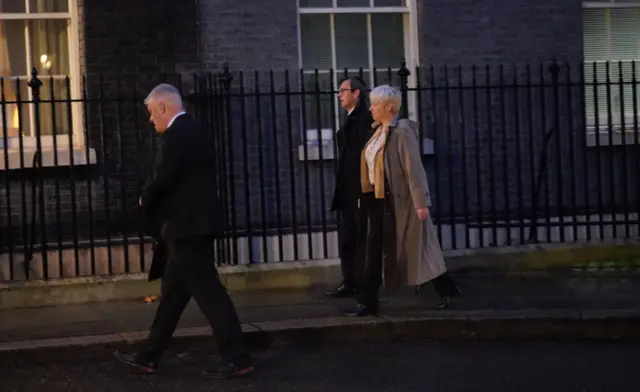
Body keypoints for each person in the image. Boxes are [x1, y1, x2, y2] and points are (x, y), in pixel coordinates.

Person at [114, 84, 253, 378]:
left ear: (163, 107)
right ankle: (149, 355)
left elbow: (163, 174)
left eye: (152, 113)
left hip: (187, 226)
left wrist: (145, 197)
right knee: (174, 295)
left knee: (209, 293)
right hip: (193, 224)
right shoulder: (195, 129)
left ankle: (236, 356)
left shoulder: (177, 135)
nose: (151, 120)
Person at [345, 85, 461, 317]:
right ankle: (367, 302)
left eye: (375, 104)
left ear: (389, 107)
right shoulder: (378, 131)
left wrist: (421, 203)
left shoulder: (402, 132)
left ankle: (446, 289)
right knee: (374, 250)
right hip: (377, 201)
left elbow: (414, 170)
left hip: (399, 202)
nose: (371, 108)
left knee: (418, 248)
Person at [326, 76, 374, 298]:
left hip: (359, 190)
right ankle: (351, 281)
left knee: (359, 239)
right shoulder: (352, 118)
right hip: (348, 189)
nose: (339, 95)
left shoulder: (363, 120)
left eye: (343, 90)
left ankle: (362, 285)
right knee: (348, 239)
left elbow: (362, 158)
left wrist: (360, 191)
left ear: (356, 93)